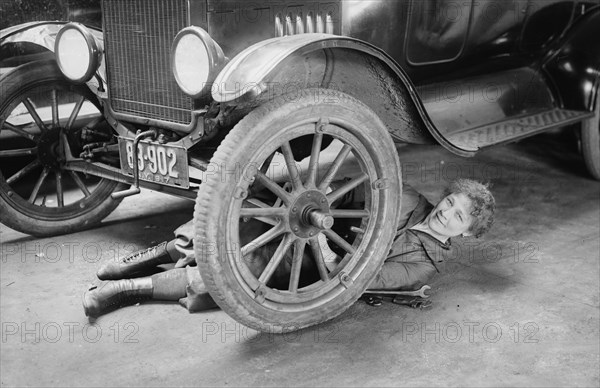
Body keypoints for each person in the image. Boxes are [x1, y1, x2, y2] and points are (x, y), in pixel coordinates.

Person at [82, 178, 495, 317]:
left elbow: (357, 279)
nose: (446, 213)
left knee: (249, 265)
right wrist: (320, 202)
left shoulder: (423, 266)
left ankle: (129, 290)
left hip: (320, 269)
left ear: (467, 235)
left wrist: (323, 240)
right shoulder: (406, 197)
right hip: (311, 230)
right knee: (246, 215)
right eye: (451, 203)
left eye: (458, 217)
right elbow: (350, 193)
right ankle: (147, 258)